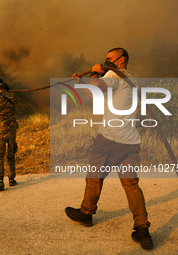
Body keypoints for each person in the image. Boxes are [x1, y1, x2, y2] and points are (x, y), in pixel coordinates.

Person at [65, 48, 154, 250]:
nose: (105, 62)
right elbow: (96, 93)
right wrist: (81, 83)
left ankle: (86, 213)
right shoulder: (130, 78)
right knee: (131, 185)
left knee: (94, 177)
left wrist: (96, 72)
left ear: (121, 60)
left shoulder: (114, 74)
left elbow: (99, 85)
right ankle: (142, 230)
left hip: (111, 139)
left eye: (108, 59)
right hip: (130, 141)